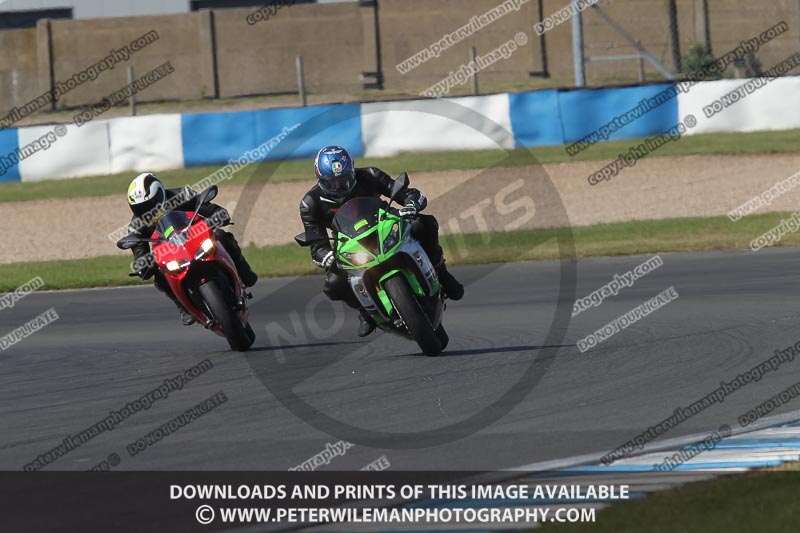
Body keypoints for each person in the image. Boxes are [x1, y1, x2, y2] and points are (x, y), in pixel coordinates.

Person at [299, 145, 463, 337]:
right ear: (320, 180)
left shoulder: (370, 175)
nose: (340, 186)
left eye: (345, 179)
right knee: (333, 283)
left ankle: (440, 271)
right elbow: (316, 242)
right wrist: (325, 256)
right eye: (333, 183)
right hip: (349, 242)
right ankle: (365, 312)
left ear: (352, 171)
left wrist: (411, 204)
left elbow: (406, 193)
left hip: (385, 223)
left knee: (424, 224)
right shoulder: (310, 203)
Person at [125, 172, 257, 325]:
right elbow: (139, 251)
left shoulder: (182, 195)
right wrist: (143, 265)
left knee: (222, 236)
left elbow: (208, 207)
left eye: (149, 204)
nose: (146, 210)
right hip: (171, 252)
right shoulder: (136, 225)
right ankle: (183, 308)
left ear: (160, 194)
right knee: (160, 276)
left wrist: (218, 215)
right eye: (139, 208)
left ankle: (244, 272)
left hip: (196, 237)